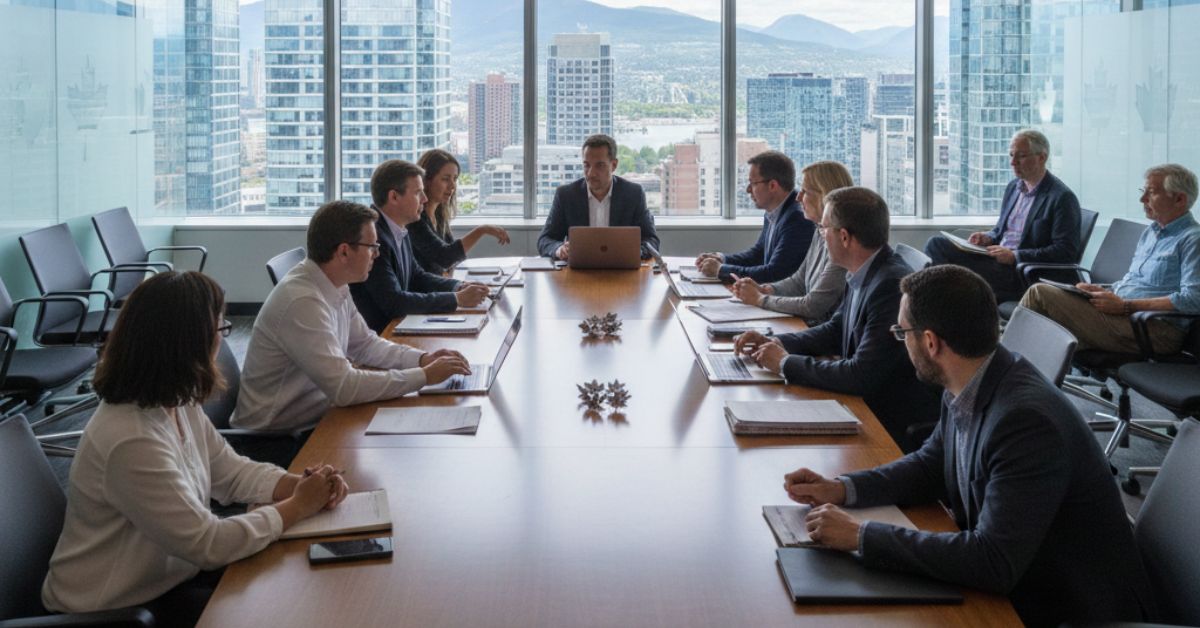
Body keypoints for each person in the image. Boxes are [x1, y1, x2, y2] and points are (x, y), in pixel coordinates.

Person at [782, 265, 1158, 627]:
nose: (902, 341)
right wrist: (843, 488)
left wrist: (861, 536)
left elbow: (993, 560)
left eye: (902, 332)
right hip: (1020, 578)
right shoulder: (972, 377)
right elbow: (930, 465)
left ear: (930, 342)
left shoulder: (1025, 421)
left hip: (1069, 607)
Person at [41, 271, 352, 627]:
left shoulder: (175, 400)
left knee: (295, 587)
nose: (221, 340)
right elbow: (209, 543)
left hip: (166, 580)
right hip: (112, 612)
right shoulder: (131, 438)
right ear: (188, 343)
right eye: (220, 330)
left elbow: (230, 472)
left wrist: (293, 484)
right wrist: (298, 505)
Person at [233, 200, 470, 434]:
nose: (376, 255)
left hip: (319, 417)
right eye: (372, 247)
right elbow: (344, 388)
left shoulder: (335, 283)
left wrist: (422, 360)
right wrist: (423, 376)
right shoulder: (303, 301)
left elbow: (365, 345)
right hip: (275, 439)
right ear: (344, 251)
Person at [733, 187, 940, 450]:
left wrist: (785, 363)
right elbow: (835, 330)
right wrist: (775, 342)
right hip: (863, 405)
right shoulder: (865, 271)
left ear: (844, 237)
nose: (820, 235)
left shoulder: (888, 286)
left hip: (884, 421)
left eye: (824, 228)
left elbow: (861, 374)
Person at [1020, 163, 1200, 354]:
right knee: (1047, 327)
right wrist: (1103, 289)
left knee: (1039, 294)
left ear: (1180, 199)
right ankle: (1023, 372)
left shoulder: (1193, 240)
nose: (1142, 199)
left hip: (1153, 329)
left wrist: (1125, 306)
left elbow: (1194, 299)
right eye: (1143, 191)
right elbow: (1134, 282)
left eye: (1152, 193)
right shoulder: (1152, 232)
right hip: (1124, 316)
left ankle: (1002, 370)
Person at [923, 129, 1081, 302]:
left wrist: (1016, 255)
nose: (1013, 162)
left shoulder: (1061, 197)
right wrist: (988, 237)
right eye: (1011, 155)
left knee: (948, 276)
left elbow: (1066, 252)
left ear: (1041, 157)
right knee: (936, 245)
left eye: (1021, 156)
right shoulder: (1014, 187)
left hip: (1020, 271)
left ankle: (945, 306)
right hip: (995, 261)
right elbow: (1001, 230)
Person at [351, 159, 492, 333]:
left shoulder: (397, 228)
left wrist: (458, 286)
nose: (424, 199)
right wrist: (456, 299)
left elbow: (417, 276)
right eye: (418, 193)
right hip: (380, 338)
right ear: (394, 197)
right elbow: (394, 302)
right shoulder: (374, 237)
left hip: (398, 329)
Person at [730, 160, 851, 324]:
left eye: (805, 191)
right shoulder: (819, 230)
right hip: (805, 326)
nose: (798, 197)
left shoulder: (842, 241)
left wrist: (760, 299)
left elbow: (813, 305)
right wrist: (767, 289)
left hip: (818, 334)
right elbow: (799, 281)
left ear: (824, 196)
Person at [693, 150, 814, 283]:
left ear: (772, 185)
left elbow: (775, 273)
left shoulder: (797, 218)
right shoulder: (774, 210)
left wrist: (720, 270)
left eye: (753, 183)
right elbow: (758, 255)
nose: (748, 190)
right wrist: (721, 258)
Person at [536, 133, 661, 260]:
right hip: (578, 273)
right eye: (586, 165)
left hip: (622, 270)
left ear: (614, 165)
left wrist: (634, 252)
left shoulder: (633, 194)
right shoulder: (566, 195)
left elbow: (652, 240)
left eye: (599, 165)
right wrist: (559, 250)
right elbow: (545, 240)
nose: (591, 173)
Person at [409, 149, 511, 274]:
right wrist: (482, 230)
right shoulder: (415, 219)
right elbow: (446, 257)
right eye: (445, 179)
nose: (452, 186)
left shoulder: (439, 214)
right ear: (426, 181)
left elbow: (453, 259)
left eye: (455, 179)